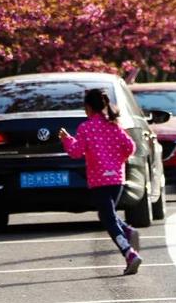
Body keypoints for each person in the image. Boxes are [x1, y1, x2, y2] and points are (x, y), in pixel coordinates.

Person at [59, 88, 142, 275]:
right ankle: (128, 231)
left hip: (98, 180)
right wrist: (117, 159)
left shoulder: (86, 128)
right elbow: (130, 146)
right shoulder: (114, 125)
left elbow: (75, 152)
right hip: (116, 179)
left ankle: (129, 252)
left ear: (88, 108)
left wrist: (67, 140)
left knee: (107, 218)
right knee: (108, 214)